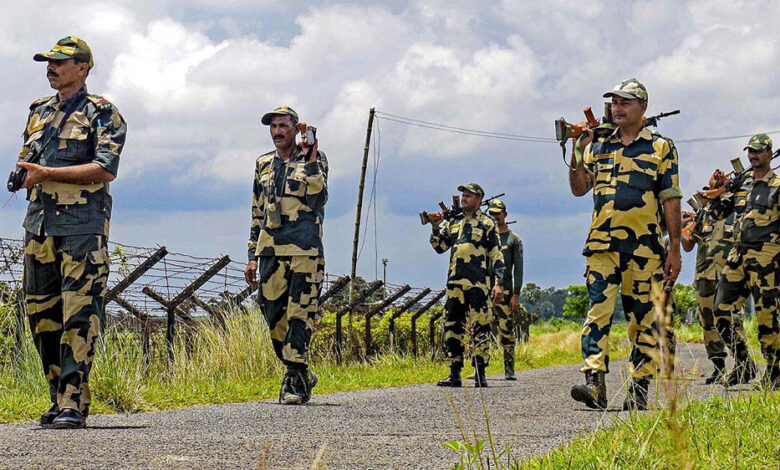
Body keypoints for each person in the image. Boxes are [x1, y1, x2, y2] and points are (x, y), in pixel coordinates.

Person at [18, 36, 127, 428]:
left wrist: (48, 174)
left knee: (79, 315)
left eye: (60, 62)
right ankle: (57, 397)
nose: (51, 67)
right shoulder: (38, 111)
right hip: (39, 226)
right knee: (41, 315)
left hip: (82, 229)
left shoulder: (102, 113)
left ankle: (74, 402)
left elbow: (105, 169)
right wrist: (29, 175)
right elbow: (31, 162)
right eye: (48, 61)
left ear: (82, 68)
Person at [567, 78, 682, 410]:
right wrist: (577, 151)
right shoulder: (598, 146)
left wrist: (674, 247)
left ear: (642, 108)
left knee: (643, 319)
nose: (617, 107)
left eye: (625, 102)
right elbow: (578, 188)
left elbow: (670, 198)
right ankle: (594, 382)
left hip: (646, 248)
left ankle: (639, 387)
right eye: (614, 102)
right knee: (598, 312)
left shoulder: (661, 147)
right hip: (601, 245)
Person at [244, 106, 328, 405]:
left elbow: (318, 199)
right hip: (270, 248)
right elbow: (257, 211)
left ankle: (293, 378)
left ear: (296, 129)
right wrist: (252, 254)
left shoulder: (313, 160)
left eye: (283, 126)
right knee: (272, 312)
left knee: (300, 313)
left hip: (304, 249)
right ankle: (302, 368)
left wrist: (312, 158)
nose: (277, 131)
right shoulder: (263, 163)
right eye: (273, 127)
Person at [707, 134, 780, 390]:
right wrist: (715, 192)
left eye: (758, 152)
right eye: (750, 151)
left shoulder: (777, 185)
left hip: (767, 259)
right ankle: (743, 362)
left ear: (769, 153)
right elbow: (717, 213)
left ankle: (774, 372)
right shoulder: (742, 183)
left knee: (766, 317)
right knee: (720, 310)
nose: (753, 156)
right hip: (737, 256)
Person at [429, 183, 505, 387]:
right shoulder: (454, 222)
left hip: (479, 284)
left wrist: (498, 283)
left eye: (469, 195)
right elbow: (440, 247)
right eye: (463, 195)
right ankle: (454, 373)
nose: (464, 198)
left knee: (481, 326)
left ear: (479, 199)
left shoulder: (487, 223)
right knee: (452, 326)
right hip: (455, 283)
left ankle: (480, 372)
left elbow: (496, 254)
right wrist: (435, 226)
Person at [681, 192, 748, 384]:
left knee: (733, 320)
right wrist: (682, 226)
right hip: (704, 275)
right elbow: (687, 246)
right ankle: (718, 366)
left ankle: (742, 363)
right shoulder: (703, 215)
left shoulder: (737, 215)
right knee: (707, 321)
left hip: (730, 276)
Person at [486, 199, 524, 380]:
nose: (494, 217)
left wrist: (516, 294)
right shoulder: (485, 237)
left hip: (506, 292)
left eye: (497, 213)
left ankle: (509, 369)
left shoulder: (513, 239)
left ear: (505, 215)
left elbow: (519, 268)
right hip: (485, 290)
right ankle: (480, 368)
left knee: (506, 330)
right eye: (491, 214)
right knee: (480, 329)